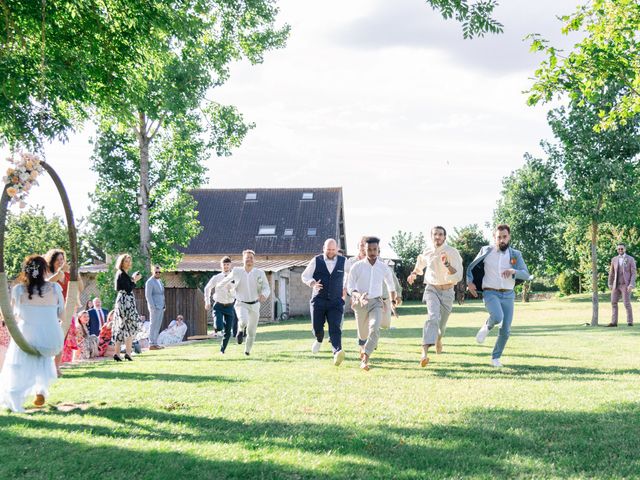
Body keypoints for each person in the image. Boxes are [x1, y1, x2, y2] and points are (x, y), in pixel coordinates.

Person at [0, 255, 64, 412]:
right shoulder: (55, 288)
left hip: (27, 338)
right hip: (51, 338)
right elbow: (62, 315)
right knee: (43, 358)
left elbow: (13, 316)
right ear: (44, 271)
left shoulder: (19, 290)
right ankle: (40, 391)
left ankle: (16, 396)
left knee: (19, 364)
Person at [467, 224, 531, 368]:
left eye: (504, 237)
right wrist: (469, 282)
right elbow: (471, 267)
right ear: (494, 238)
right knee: (497, 316)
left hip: (508, 294)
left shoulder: (515, 254)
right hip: (490, 292)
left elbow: (526, 274)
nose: (501, 240)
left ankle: (495, 358)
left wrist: (513, 271)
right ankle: (487, 326)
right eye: (499, 237)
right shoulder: (486, 251)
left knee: (506, 330)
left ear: (509, 237)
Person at [408, 226, 463, 367]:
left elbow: (458, 274)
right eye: (435, 234)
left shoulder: (452, 252)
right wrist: (414, 274)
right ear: (431, 236)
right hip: (432, 289)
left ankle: (438, 339)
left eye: (440, 234)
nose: (437, 237)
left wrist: (447, 265)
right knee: (432, 317)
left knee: (441, 326)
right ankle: (424, 353)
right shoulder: (428, 251)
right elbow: (420, 264)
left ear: (445, 237)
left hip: (448, 291)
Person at [347, 236, 397, 371]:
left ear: (378, 250)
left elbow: (391, 285)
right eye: (369, 249)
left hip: (376, 302)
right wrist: (357, 295)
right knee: (363, 335)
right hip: (360, 303)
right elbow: (350, 286)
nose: (372, 252)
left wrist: (392, 301)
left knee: (374, 328)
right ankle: (362, 346)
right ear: (364, 249)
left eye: (375, 249)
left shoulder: (383, 267)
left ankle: (365, 359)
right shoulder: (357, 266)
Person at [301, 238, 347, 366]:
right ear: (323, 248)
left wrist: (346, 287)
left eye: (333, 250)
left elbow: (350, 275)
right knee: (317, 327)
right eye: (328, 249)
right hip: (319, 300)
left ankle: (337, 352)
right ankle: (319, 338)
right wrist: (312, 283)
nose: (331, 252)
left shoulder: (344, 261)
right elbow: (305, 275)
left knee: (335, 327)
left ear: (337, 249)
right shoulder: (316, 260)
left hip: (336, 301)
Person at [218, 250, 270, 356]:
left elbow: (266, 288)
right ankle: (240, 330)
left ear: (254, 260)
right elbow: (226, 279)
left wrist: (264, 294)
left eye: (251, 258)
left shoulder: (260, 273)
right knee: (244, 320)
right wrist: (221, 286)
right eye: (247, 258)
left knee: (251, 331)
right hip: (241, 303)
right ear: (243, 260)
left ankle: (247, 351)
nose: (249, 260)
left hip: (255, 304)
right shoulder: (237, 271)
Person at [45, 248, 70, 377]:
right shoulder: (47, 273)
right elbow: (46, 285)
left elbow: (78, 288)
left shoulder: (66, 273)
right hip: (49, 309)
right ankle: (48, 367)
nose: (60, 262)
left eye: (62, 259)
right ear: (52, 261)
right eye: (58, 260)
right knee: (51, 339)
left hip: (64, 309)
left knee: (61, 338)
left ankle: (56, 367)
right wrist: (59, 273)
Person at [112, 253, 142, 361]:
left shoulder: (123, 274)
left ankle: (123, 353)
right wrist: (134, 280)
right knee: (128, 325)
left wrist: (132, 279)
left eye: (129, 261)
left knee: (123, 326)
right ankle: (125, 353)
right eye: (126, 261)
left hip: (125, 301)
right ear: (121, 263)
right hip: (125, 302)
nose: (128, 263)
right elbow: (128, 288)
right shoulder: (121, 274)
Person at [204, 257, 237, 354]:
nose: (226, 266)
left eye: (227, 264)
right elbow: (207, 288)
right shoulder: (216, 278)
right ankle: (218, 327)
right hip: (218, 305)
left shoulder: (235, 278)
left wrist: (230, 290)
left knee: (228, 331)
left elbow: (238, 292)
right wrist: (207, 301)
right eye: (224, 265)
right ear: (221, 265)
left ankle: (222, 350)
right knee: (219, 327)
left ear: (230, 265)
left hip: (230, 306)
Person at [607, 243, 636, 327]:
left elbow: (634, 273)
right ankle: (614, 322)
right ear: (617, 250)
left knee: (626, 303)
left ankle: (630, 322)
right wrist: (610, 283)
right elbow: (611, 273)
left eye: (621, 249)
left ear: (625, 249)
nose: (620, 250)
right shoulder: (614, 259)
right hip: (616, 285)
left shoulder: (630, 259)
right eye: (619, 249)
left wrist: (631, 284)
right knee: (613, 302)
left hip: (626, 285)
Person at [145, 265, 166, 350]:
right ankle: (151, 344)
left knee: (158, 325)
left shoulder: (160, 281)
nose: (158, 273)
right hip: (154, 307)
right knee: (153, 325)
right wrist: (152, 307)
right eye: (156, 272)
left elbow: (162, 294)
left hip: (161, 306)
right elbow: (148, 296)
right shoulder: (149, 282)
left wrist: (164, 304)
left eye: (159, 272)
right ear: (152, 272)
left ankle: (155, 343)